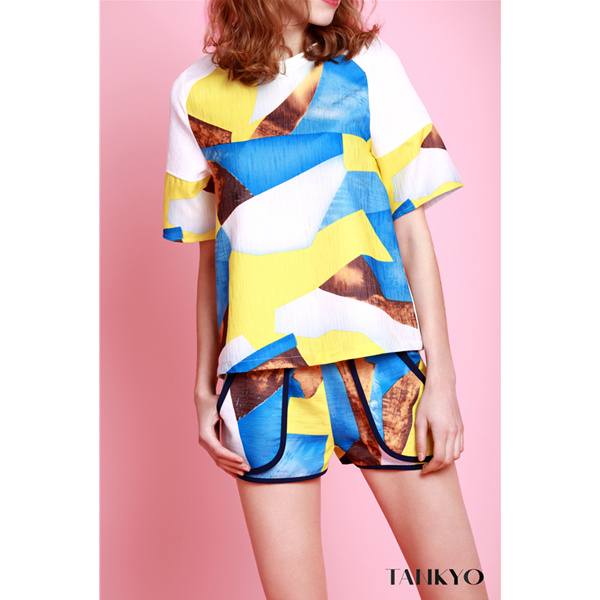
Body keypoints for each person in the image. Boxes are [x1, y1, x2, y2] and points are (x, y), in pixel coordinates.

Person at [163, 1, 489, 598]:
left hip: (383, 368)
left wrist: (442, 382)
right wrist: (204, 388)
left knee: (457, 588)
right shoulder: (194, 92)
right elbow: (212, 255)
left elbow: (412, 233)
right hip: (260, 384)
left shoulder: (368, 65)